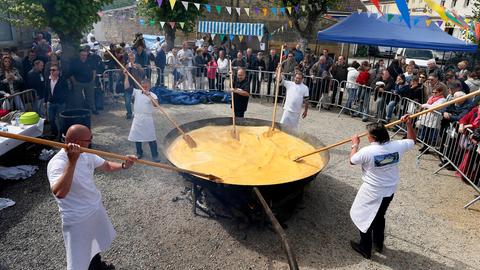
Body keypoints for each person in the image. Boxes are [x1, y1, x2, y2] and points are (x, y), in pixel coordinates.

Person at [47, 124, 136, 270]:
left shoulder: (86, 153)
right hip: (77, 219)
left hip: (94, 209)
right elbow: (60, 193)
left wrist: (124, 165)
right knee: (79, 258)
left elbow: (106, 166)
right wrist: (72, 160)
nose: (91, 140)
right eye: (90, 138)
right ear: (78, 142)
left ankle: (97, 265)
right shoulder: (58, 163)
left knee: (95, 242)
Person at [349, 114, 416, 259]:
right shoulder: (397, 145)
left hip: (372, 191)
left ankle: (365, 247)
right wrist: (409, 124)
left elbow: (352, 160)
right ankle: (378, 243)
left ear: (373, 138)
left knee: (363, 216)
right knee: (379, 216)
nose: (367, 137)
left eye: (368, 135)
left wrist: (355, 144)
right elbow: (412, 140)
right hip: (389, 190)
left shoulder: (368, 151)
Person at [124, 74, 160, 162]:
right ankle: (139, 152)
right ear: (140, 85)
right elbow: (126, 87)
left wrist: (149, 96)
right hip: (137, 118)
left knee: (151, 137)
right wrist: (126, 76)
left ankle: (155, 155)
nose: (144, 88)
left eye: (146, 86)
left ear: (149, 86)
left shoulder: (153, 95)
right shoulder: (136, 92)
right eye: (143, 86)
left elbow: (156, 105)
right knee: (137, 137)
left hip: (147, 118)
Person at [46, 64, 68, 139]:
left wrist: (62, 100)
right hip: (51, 103)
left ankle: (61, 135)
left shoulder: (62, 80)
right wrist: (46, 101)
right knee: (51, 120)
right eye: (51, 70)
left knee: (61, 121)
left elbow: (66, 91)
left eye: (54, 70)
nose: (51, 71)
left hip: (60, 103)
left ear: (58, 72)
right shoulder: (48, 79)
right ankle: (54, 133)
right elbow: (46, 91)